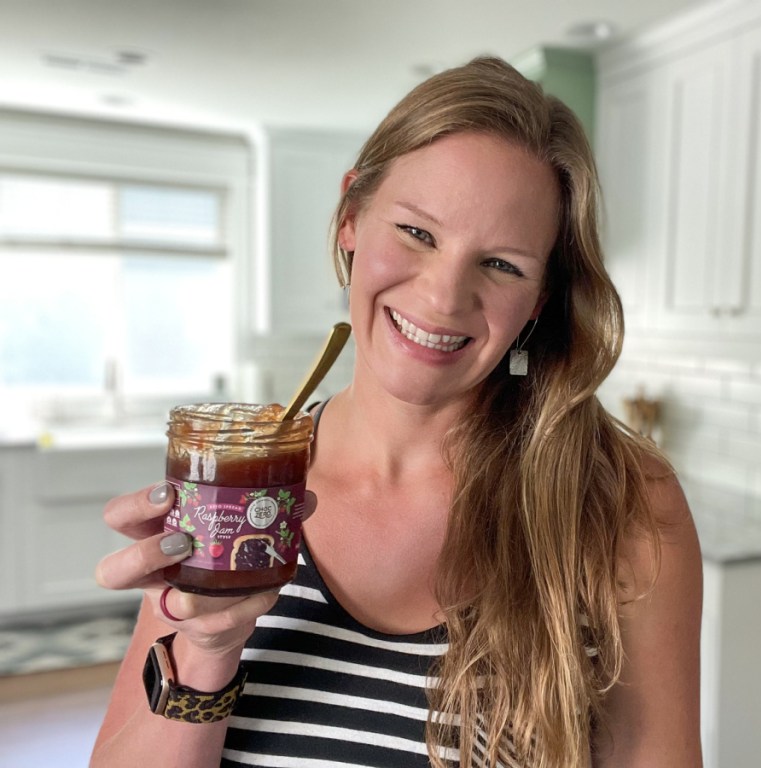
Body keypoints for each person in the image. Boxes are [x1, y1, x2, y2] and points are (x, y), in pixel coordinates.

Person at [91, 56, 703, 768]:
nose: (444, 298)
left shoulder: (622, 504)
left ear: (538, 300)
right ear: (351, 215)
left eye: (501, 264)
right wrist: (205, 651)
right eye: (417, 232)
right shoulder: (240, 487)